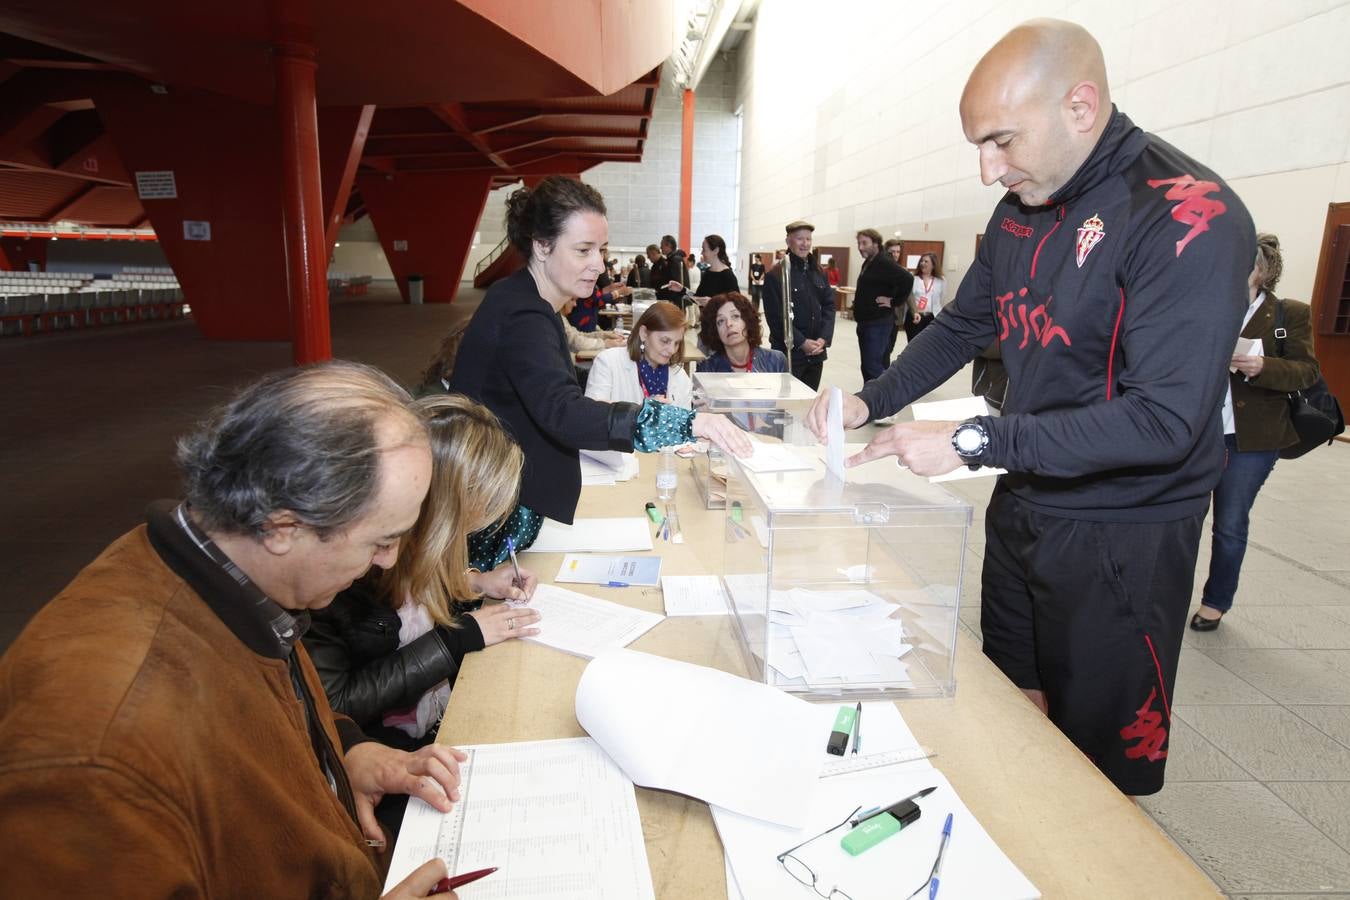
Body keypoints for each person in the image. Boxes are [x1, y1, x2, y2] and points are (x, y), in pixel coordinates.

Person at [807, 18, 1255, 797]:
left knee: (1092, 768)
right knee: (1013, 706)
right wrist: (868, 401)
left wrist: (974, 439)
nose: (988, 169)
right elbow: (963, 325)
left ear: (1080, 106)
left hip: (1124, 532)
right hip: (1026, 503)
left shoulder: (1186, 215)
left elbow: (1165, 420)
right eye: (980, 145)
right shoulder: (1020, 207)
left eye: (1003, 141)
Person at [0, 361, 465, 898]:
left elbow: (263, 719)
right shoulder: (98, 756)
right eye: (381, 540)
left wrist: (345, 752)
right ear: (284, 527)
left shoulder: (220, 574)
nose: (388, 561)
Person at [447, 176, 751, 566]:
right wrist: (687, 423)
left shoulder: (528, 304)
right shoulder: (523, 314)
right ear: (541, 245)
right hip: (485, 522)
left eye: (601, 250)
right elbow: (565, 412)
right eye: (583, 250)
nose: (598, 264)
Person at [305, 394, 542, 748]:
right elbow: (335, 706)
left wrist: (475, 580)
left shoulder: (413, 545)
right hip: (381, 744)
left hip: (423, 721)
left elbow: (415, 590)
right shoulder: (345, 573)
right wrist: (456, 639)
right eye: (464, 523)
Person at [1192, 234, 1321, 631]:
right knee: (1181, 519)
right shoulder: (1206, 306)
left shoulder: (1289, 313)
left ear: (1262, 271)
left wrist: (1262, 368)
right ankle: (1167, 591)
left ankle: (1216, 602)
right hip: (1196, 434)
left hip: (1252, 440)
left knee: (1230, 523)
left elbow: (1306, 370)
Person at [761, 219, 835, 390]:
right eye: (800, 239)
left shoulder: (819, 272)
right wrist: (801, 342)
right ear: (788, 241)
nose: (805, 244)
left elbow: (829, 307)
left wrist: (823, 338)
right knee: (786, 405)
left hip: (816, 353)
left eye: (808, 239)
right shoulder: (777, 274)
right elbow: (775, 317)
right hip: (790, 354)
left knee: (808, 403)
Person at [585, 300, 693, 408]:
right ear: (643, 333)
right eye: (665, 341)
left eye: (677, 343)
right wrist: (639, 413)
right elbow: (594, 417)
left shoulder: (680, 376)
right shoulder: (607, 362)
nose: (672, 350)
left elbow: (685, 422)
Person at [853, 228, 915, 383]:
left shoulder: (883, 262)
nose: (860, 247)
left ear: (876, 243)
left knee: (873, 366)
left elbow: (907, 279)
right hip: (867, 323)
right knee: (868, 366)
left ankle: (880, 400)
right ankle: (870, 398)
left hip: (877, 323)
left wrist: (893, 302)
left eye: (865, 243)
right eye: (859, 243)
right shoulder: (869, 262)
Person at [696, 291, 788, 374]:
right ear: (715, 331)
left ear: (748, 321)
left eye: (735, 316)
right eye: (721, 321)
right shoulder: (707, 369)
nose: (729, 324)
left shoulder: (776, 361)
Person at [904, 252, 947, 343]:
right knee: (914, 344)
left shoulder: (941, 280)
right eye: (921, 261)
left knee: (928, 345)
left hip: (932, 317)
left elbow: (941, 298)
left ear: (933, 265)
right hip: (915, 317)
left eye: (926, 261)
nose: (922, 263)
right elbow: (909, 297)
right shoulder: (913, 278)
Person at [693, 233, 739, 305]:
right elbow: (698, 297)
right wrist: (682, 290)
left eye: (704, 249)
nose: (701, 252)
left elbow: (736, 303)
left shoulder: (728, 275)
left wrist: (713, 302)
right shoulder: (708, 272)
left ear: (716, 250)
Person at [652, 234, 689, 305]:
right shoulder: (672, 259)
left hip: (676, 300)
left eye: (662, 245)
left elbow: (675, 282)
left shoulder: (675, 260)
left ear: (668, 245)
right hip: (674, 298)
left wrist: (671, 300)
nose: (660, 247)